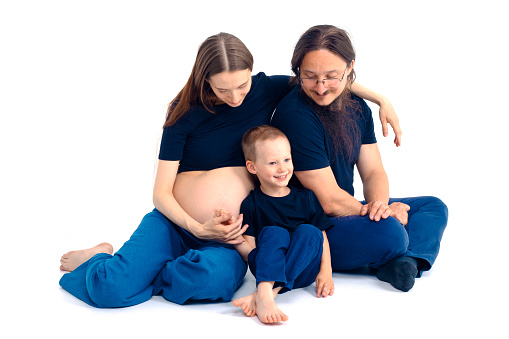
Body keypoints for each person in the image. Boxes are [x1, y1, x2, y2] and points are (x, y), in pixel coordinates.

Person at [59, 32, 402, 308]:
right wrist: (198, 227)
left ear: (251, 75)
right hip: (175, 222)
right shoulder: (181, 113)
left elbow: (321, 79)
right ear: (204, 79)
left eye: (242, 85)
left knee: (217, 282)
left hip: (231, 235)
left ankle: (148, 270)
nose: (236, 97)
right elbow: (160, 193)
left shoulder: (265, 89)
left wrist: (380, 98)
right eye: (223, 89)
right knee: (111, 291)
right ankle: (100, 259)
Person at [271, 25, 448, 292]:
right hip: (311, 226)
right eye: (309, 77)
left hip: (347, 209)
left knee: (433, 207)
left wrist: (379, 205)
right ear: (299, 73)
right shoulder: (295, 116)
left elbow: (373, 171)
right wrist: (386, 216)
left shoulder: (357, 106)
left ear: (349, 68)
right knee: (390, 232)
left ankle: (404, 262)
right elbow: (328, 201)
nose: (320, 88)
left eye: (331, 77)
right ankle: (396, 253)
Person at [227, 125, 333, 324]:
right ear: (252, 167)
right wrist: (235, 238)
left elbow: (322, 238)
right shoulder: (251, 203)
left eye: (286, 159)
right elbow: (251, 250)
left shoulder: (306, 197)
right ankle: (266, 291)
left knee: (310, 232)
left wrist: (325, 270)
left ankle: (265, 292)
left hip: (303, 269)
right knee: (275, 232)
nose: (283, 168)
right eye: (273, 163)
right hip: (267, 265)